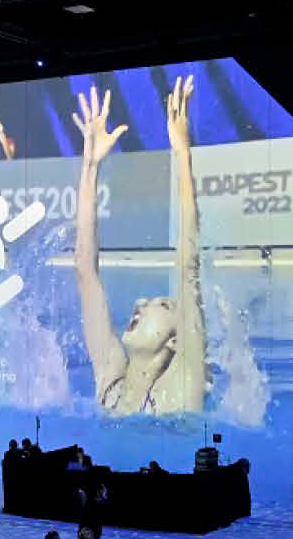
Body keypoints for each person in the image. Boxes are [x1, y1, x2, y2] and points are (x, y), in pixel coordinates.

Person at [74, 77, 207, 415]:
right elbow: (85, 272)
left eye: (162, 305)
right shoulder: (110, 381)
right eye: (150, 301)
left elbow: (188, 266)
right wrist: (90, 167)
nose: (140, 304)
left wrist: (182, 155)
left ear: (176, 340)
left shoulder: (181, 390)